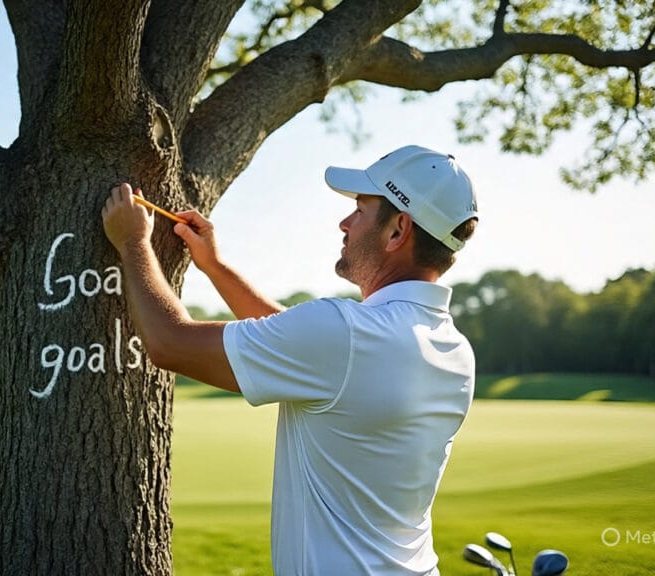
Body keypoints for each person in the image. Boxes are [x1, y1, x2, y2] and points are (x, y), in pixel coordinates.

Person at [101, 144, 479, 575]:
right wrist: (216, 267)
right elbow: (309, 351)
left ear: (398, 230)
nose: (345, 222)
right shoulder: (453, 349)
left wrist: (133, 244)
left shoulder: (344, 334)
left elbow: (170, 343)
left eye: (360, 210)